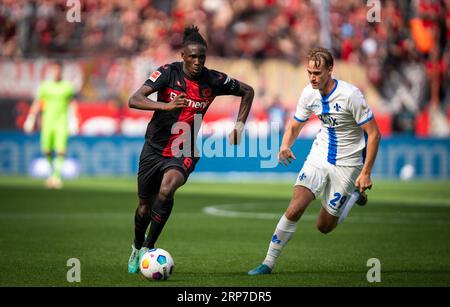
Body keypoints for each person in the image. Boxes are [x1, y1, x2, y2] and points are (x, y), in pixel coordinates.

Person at [127, 25, 254, 274]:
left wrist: (239, 125)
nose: (197, 62)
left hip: (184, 148)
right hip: (154, 146)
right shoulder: (167, 73)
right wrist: (165, 106)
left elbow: (247, 91)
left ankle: (149, 249)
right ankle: (136, 245)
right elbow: (134, 99)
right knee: (144, 206)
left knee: (167, 189)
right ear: (183, 56)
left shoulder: (214, 80)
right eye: (193, 57)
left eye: (202, 57)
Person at [248, 47, 381, 275]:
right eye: (309, 72)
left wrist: (366, 172)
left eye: (317, 73)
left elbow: (374, 133)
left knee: (324, 226)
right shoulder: (309, 93)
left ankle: (355, 195)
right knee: (295, 208)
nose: (312, 78)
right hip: (319, 155)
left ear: (330, 70)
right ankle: (268, 262)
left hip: (348, 164)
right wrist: (285, 145)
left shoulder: (351, 95)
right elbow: (294, 125)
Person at [24, 61, 78, 189]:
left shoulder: (67, 86)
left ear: (61, 71)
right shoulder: (45, 86)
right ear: (51, 71)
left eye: (58, 70)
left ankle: (56, 177)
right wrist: (30, 118)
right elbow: (38, 103)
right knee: (47, 150)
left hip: (61, 122)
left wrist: (74, 119)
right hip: (47, 122)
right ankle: (52, 174)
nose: (56, 72)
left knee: (60, 150)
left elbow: (72, 103)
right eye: (54, 70)